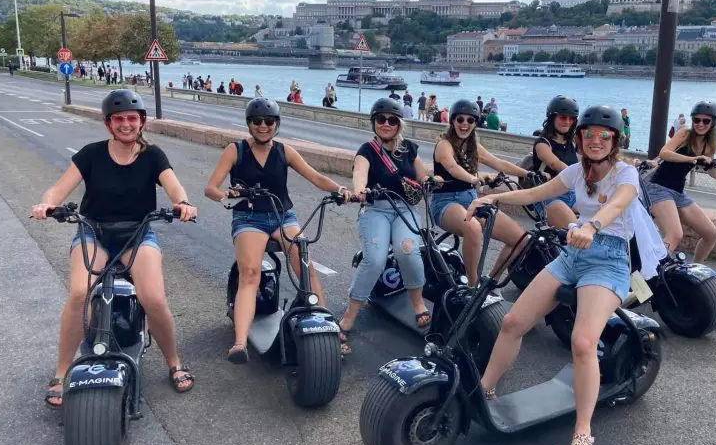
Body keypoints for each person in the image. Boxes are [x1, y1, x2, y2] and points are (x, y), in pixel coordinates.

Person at [467, 105, 641, 445]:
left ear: (615, 140)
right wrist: (494, 198)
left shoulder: (627, 174)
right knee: (513, 322)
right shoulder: (579, 171)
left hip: (607, 261)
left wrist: (592, 226)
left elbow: (619, 204)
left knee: (582, 342)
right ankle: (484, 390)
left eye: (603, 136)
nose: (595, 141)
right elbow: (536, 194)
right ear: (579, 139)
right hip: (572, 256)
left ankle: (582, 433)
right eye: (588, 134)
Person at [31, 90, 197, 409]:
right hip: (94, 231)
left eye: (131, 118)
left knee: (153, 297)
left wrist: (183, 203)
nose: (125, 124)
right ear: (108, 124)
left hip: (137, 234)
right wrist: (47, 204)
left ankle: (174, 362)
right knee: (80, 294)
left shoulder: (153, 155)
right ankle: (61, 373)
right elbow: (59, 188)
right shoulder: (91, 154)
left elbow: (174, 185)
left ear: (141, 122)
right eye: (118, 119)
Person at [204, 98, 351, 363]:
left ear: (276, 124)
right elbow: (210, 188)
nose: (263, 126)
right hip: (249, 218)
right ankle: (240, 343)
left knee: (304, 263)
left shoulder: (285, 151)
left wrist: (340, 190)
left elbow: (316, 177)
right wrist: (226, 193)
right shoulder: (235, 150)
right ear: (249, 124)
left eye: (269, 122)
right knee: (250, 273)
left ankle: (329, 329)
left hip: (282, 216)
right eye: (257, 121)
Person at [339, 98, 430, 355]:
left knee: (408, 251)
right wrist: (360, 191)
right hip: (376, 209)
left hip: (404, 208)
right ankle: (349, 315)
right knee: (375, 259)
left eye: (392, 120)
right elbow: (360, 173)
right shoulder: (367, 150)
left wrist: (432, 181)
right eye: (381, 119)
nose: (386, 124)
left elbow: (422, 175)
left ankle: (417, 303)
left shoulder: (409, 149)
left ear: (399, 123)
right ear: (374, 123)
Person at [432, 99, 532, 288]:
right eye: (460, 119)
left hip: (472, 201)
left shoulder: (472, 146)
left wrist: (528, 173)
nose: (465, 124)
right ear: (452, 120)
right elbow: (452, 168)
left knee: (521, 240)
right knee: (473, 227)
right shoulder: (444, 144)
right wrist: (473, 178)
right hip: (446, 203)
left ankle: (489, 283)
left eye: (470, 120)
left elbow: (500, 164)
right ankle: (472, 285)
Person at [646, 100, 716, 262]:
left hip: (678, 192)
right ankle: (651, 274)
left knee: (712, 234)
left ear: (713, 123)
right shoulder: (685, 134)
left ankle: (693, 274)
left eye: (706, 121)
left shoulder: (708, 146)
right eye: (696, 120)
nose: (700, 124)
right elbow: (664, 153)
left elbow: (713, 172)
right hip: (658, 187)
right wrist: (692, 158)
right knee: (675, 235)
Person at [531, 96, 580, 228]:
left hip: (572, 194)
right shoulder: (542, 144)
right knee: (574, 232)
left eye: (572, 118)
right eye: (563, 117)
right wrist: (581, 178)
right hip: (549, 196)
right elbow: (556, 164)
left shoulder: (572, 142)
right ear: (552, 118)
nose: (568, 122)